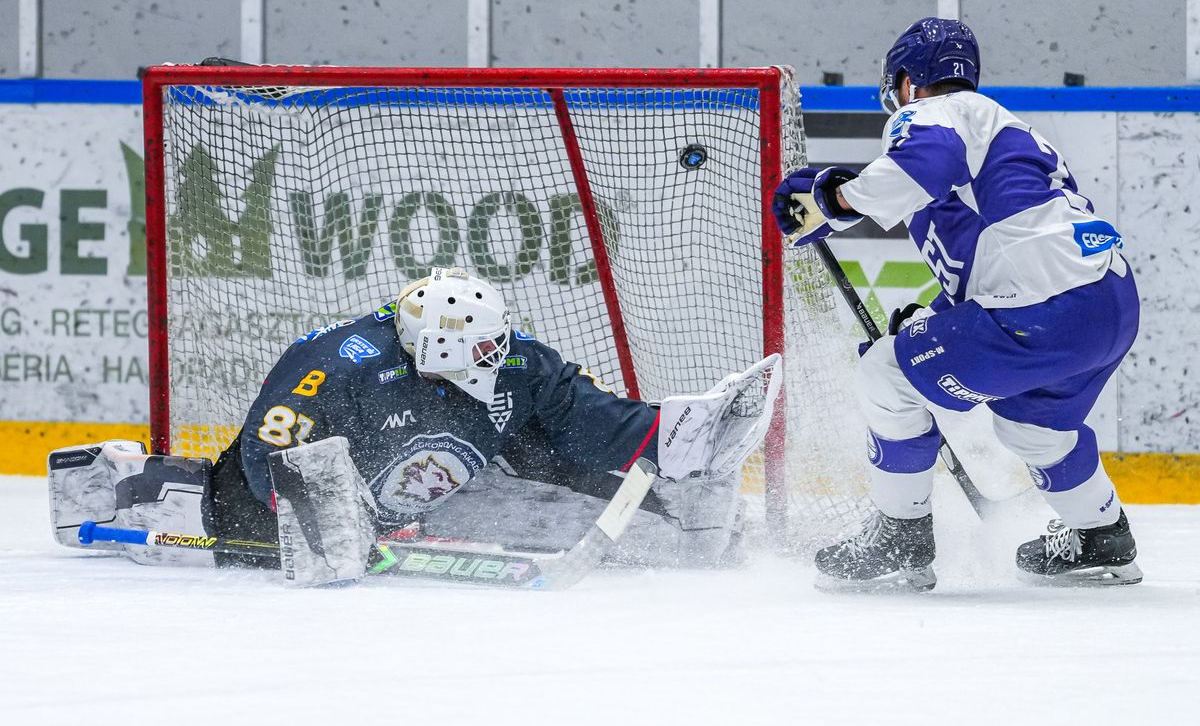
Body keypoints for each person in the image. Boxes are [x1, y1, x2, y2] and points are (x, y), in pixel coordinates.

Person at [49, 267, 778, 575]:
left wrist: (672, 433)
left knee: (565, 482)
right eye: (482, 350)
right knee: (224, 512)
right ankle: (125, 477)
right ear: (433, 347)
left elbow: (580, 416)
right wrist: (324, 521)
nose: (503, 355)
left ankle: (686, 516)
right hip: (298, 502)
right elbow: (269, 453)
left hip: (427, 500)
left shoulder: (511, 359)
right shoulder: (336, 361)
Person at [771, 17, 1141, 590]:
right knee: (1033, 430)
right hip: (1107, 303)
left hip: (1046, 310)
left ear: (907, 80)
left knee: (883, 376)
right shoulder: (999, 137)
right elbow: (996, 258)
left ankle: (900, 538)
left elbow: (922, 161)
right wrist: (933, 324)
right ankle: (1101, 534)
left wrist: (833, 199)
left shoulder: (940, 113)